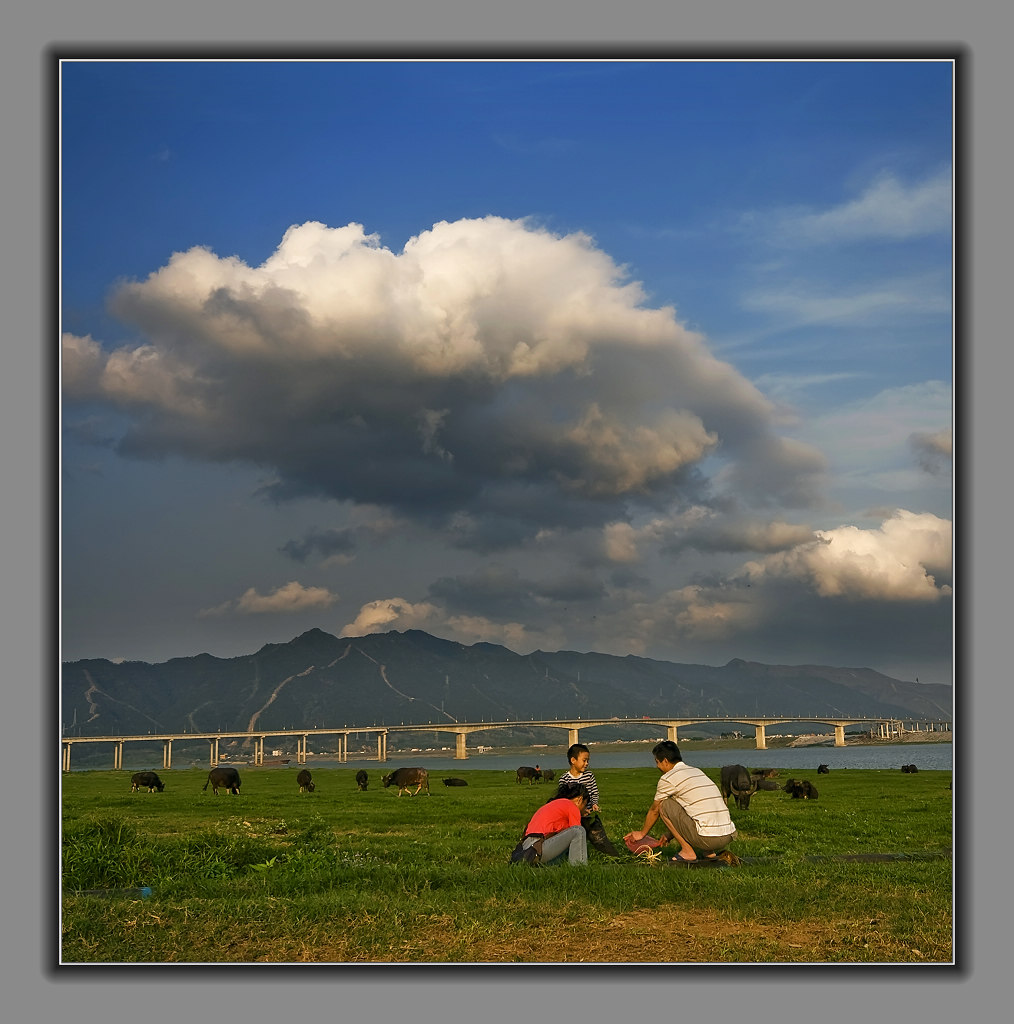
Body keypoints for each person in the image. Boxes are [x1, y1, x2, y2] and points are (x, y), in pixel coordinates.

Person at [624, 740, 738, 864]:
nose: (657, 766)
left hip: (708, 838)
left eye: (657, 762)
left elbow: (655, 810)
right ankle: (709, 852)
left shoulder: (668, 778)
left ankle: (687, 851)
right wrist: (669, 834)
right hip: (728, 834)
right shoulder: (697, 771)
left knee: (664, 805)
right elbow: (692, 810)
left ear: (665, 761)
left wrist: (642, 834)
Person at [555, 742, 621, 857]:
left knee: (597, 836)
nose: (586, 764)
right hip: (571, 815)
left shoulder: (589, 776)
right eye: (584, 760)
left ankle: (610, 854)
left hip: (587, 813)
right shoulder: (564, 779)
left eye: (588, 761)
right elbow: (563, 799)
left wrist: (594, 803)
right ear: (573, 760)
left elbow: (594, 791)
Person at [512, 781, 590, 866]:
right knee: (578, 831)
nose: (584, 809)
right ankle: (579, 867)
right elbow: (576, 831)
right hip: (538, 847)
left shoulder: (554, 805)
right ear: (580, 800)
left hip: (527, 847)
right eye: (585, 805)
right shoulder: (571, 806)